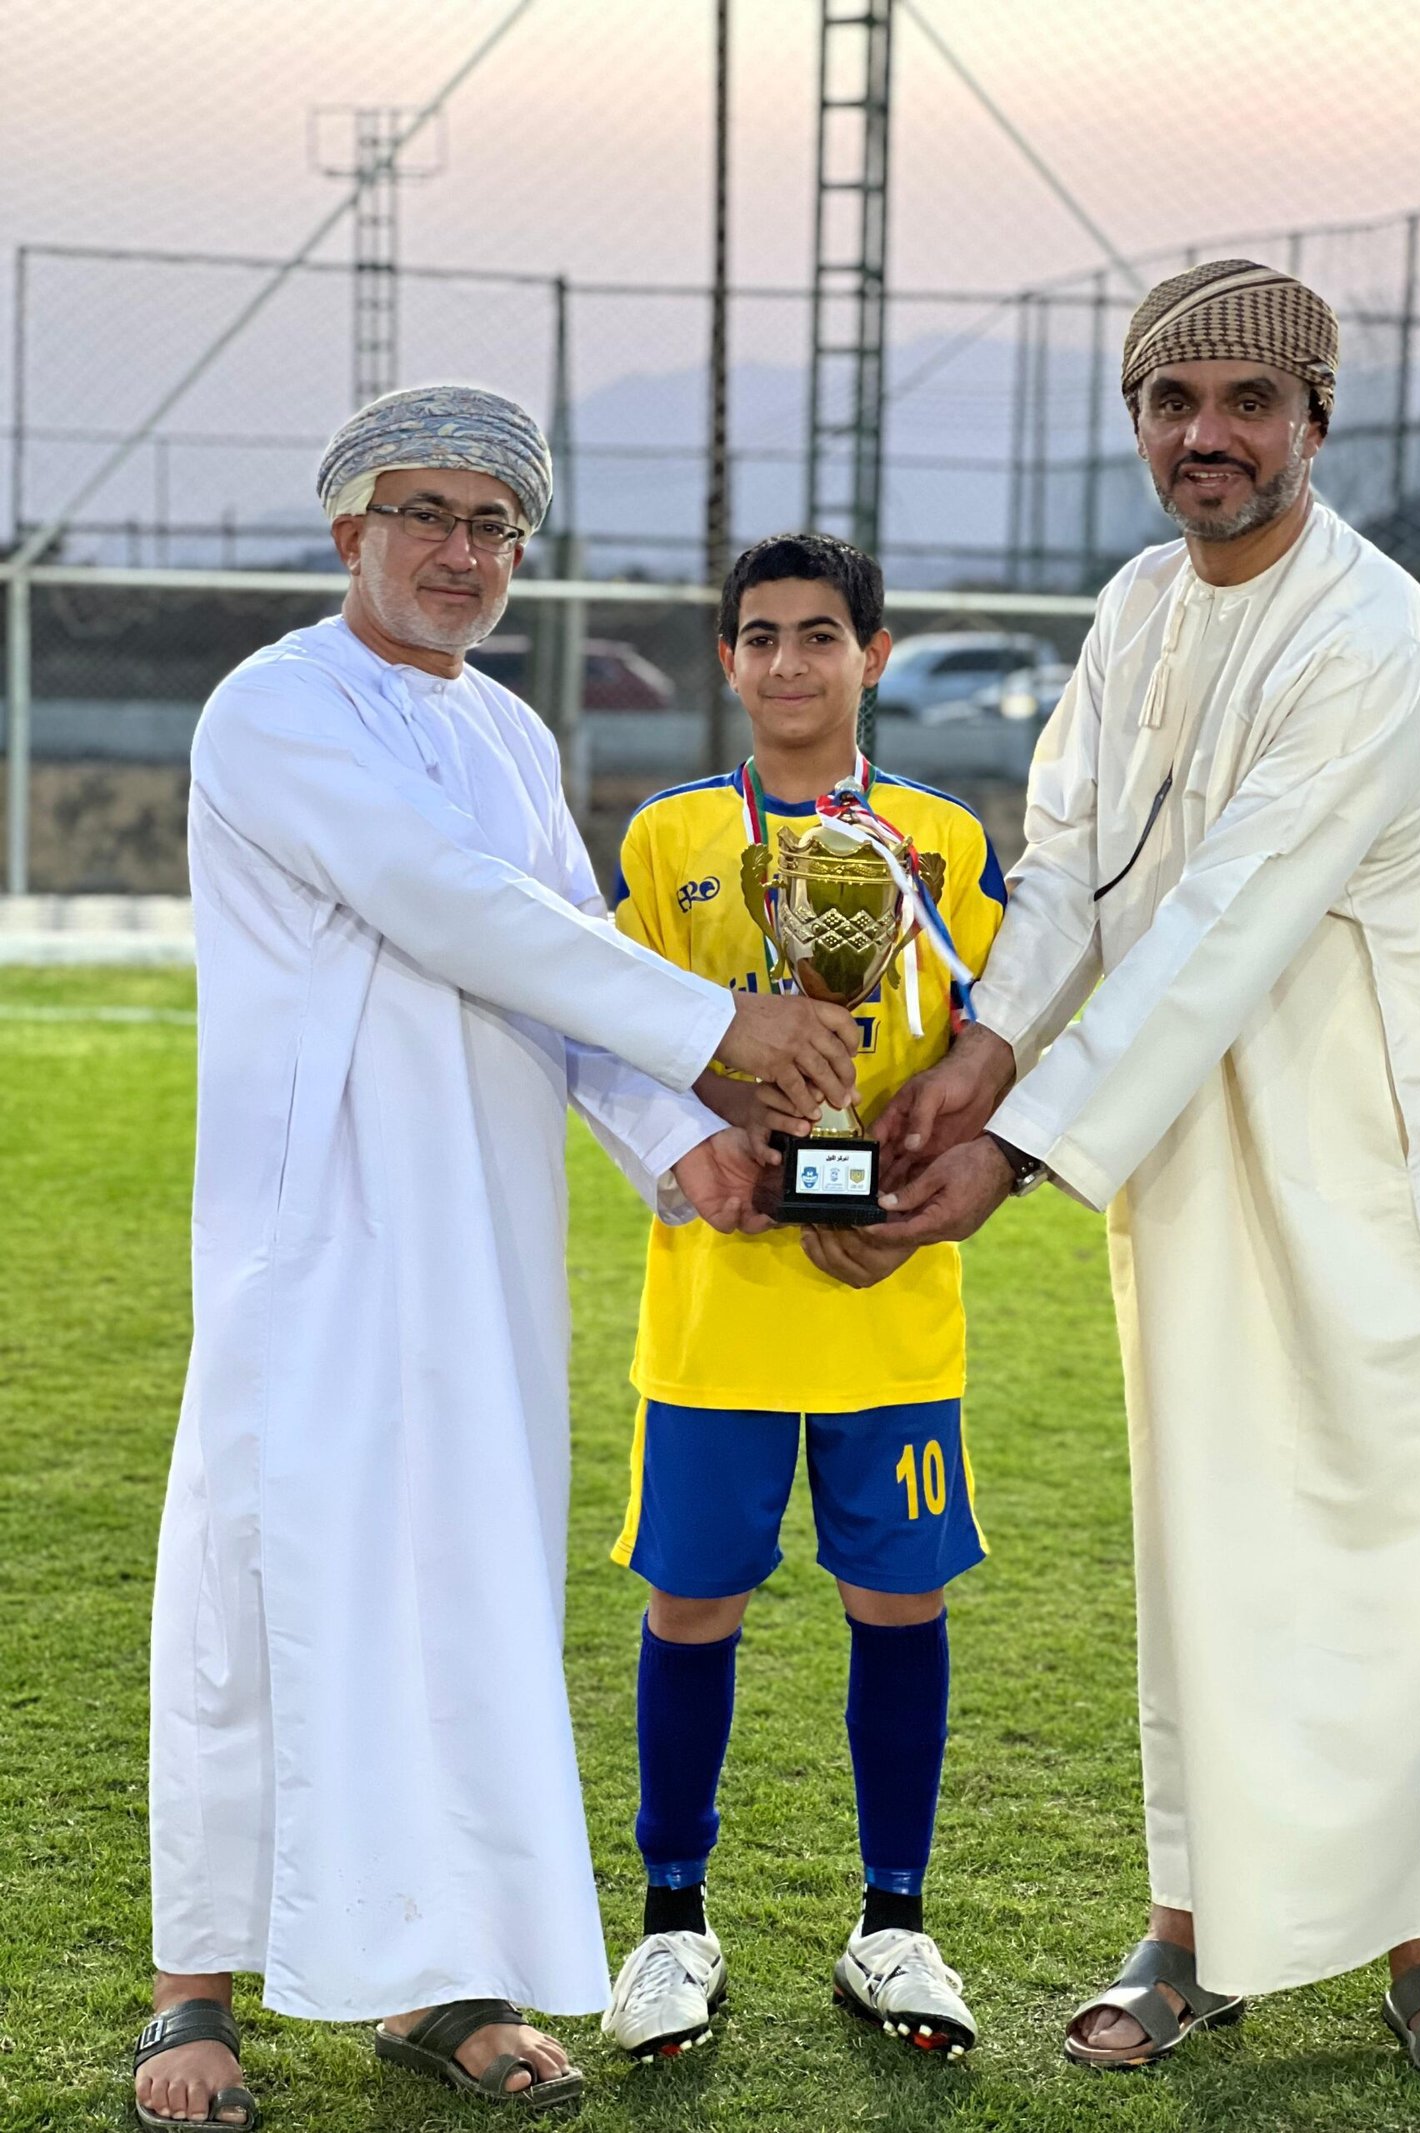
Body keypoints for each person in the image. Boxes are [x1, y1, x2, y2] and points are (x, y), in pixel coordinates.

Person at [870, 262, 1420, 2088]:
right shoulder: (1134, 608)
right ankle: (1190, 1927)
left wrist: (1016, 1143)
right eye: (1173, 401)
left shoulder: (1375, 633)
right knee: (1207, 1536)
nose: (1208, 436)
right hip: (1189, 1153)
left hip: (1368, 1163)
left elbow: (1226, 920)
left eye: (1248, 402)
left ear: (1314, 422)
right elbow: (1073, 863)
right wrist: (984, 1049)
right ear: (1139, 421)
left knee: (1394, 1543)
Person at [135, 389, 861, 2129]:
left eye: (495, 525)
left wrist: (687, 1138)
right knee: (258, 1580)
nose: (461, 552)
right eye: (428, 514)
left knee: (469, 1583)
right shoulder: (277, 706)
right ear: (351, 530)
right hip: (316, 1233)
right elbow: (450, 902)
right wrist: (717, 1027)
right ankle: (192, 1989)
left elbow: (557, 956)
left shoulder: (514, 732)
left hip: (487, 1238)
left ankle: (442, 1975)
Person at [598, 533, 1007, 2064]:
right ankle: (671, 1923)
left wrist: (915, 1174)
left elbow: (992, 1048)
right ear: (727, 660)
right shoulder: (669, 838)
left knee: (898, 1600)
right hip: (716, 1312)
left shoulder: (943, 840)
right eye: (761, 635)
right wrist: (726, 1111)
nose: (789, 662)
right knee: (692, 1600)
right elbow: (615, 1034)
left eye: (820, 635)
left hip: (889, 1307)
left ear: (873, 656)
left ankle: (894, 1921)